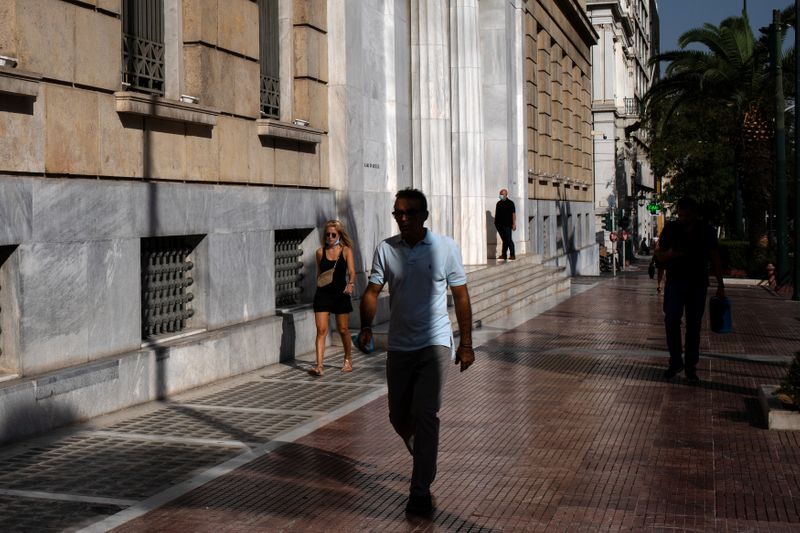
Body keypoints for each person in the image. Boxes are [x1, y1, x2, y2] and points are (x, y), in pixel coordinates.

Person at [357, 188, 475, 516]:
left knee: (426, 413)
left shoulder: (445, 248)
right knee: (398, 415)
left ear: (424, 216)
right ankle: (425, 456)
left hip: (434, 343)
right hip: (399, 345)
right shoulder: (386, 249)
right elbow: (372, 290)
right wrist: (365, 325)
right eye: (398, 213)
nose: (403, 219)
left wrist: (465, 344)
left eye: (409, 213)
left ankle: (419, 490)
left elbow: (461, 296)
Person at [654, 196, 724, 383]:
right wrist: (669, 254)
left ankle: (690, 366)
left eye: (687, 215)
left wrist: (721, 285)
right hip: (675, 282)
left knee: (694, 326)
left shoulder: (706, 231)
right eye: (680, 215)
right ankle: (675, 361)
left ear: (695, 214)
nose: (683, 219)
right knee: (671, 320)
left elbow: (715, 258)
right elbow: (659, 256)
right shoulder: (671, 228)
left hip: (697, 284)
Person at [310, 220, 356, 376]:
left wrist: (350, 284)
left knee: (343, 329)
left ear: (339, 235)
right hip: (322, 294)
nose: (330, 237)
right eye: (327, 234)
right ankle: (319, 366)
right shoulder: (319, 252)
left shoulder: (346, 251)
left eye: (333, 234)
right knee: (321, 330)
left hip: (340, 295)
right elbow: (319, 274)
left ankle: (348, 359)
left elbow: (352, 271)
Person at [494, 188, 516, 260]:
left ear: (506, 195)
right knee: (504, 240)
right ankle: (504, 255)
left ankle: (512, 255)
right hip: (499, 225)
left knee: (509, 239)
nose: (500, 195)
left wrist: (513, 224)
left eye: (502, 194)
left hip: (507, 225)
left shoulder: (510, 203)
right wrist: (496, 223)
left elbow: (513, 214)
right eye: (500, 194)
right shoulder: (498, 203)